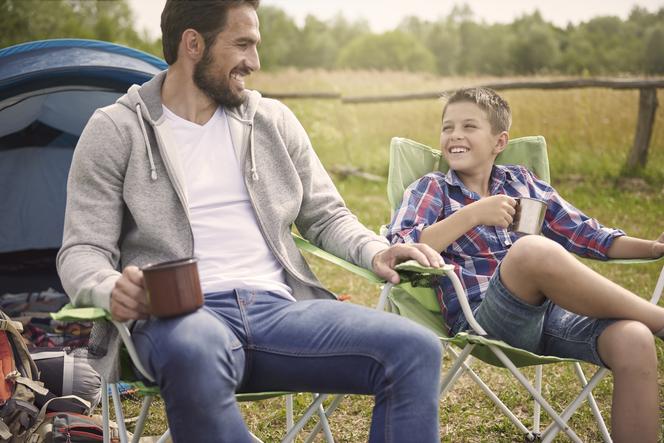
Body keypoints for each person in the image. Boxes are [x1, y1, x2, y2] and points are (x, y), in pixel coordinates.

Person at [56, 1, 444, 441]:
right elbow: (82, 250)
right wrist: (110, 290)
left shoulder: (272, 121)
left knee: (415, 348)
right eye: (243, 44)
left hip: (279, 311)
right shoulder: (116, 129)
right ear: (193, 44)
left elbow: (327, 215)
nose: (254, 63)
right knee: (195, 349)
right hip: (181, 318)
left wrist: (376, 250)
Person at [386, 87, 664, 442]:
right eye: (447, 127)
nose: (455, 135)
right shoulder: (434, 188)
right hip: (484, 319)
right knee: (531, 251)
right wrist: (473, 215)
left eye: (469, 126)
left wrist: (652, 247)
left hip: (552, 314)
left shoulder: (522, 182)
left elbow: (584, 234)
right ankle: (659, 319)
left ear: (499, 142)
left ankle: (649, 325)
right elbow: (402, 246)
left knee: (634, 339)